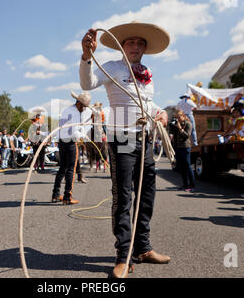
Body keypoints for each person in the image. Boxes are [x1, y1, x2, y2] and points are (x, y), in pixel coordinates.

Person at [80, 21, 171, 278]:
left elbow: (146, 104)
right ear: (122, 46)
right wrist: (87, 56)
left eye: (140, 43)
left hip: (144, 139)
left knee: (147, 194)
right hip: (122, 138)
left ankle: (143, 247)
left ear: (145, 48)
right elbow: (87, 84)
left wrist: (160, 112)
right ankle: (123, 254)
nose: (135, 46)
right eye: (130, 42)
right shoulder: (111, 67)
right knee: (124, 195)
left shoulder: (147, 72)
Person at [52, 91, 92, 205]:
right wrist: (84, 137)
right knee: (71, 169)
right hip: (70, 143)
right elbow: (74, 133)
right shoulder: (75, 113)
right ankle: (67, 196)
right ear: (79, 104)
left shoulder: (67, 110)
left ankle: (55, 194)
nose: (84, 109)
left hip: (62, 142)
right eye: (84, 107)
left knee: (62, 168)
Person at [170, 109, 195, 192]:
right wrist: (172, 126)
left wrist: (180, 128)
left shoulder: (188, 124)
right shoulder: (177, 124)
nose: (178, 119)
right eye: (176, 117)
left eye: (179, 117)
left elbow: (186, 136)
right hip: (178, 147)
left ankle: (192, 185)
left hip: (185, 147)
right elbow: (172, 132)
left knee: (188, 166)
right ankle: (185, 185)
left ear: (183, 116)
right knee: (182, 167)